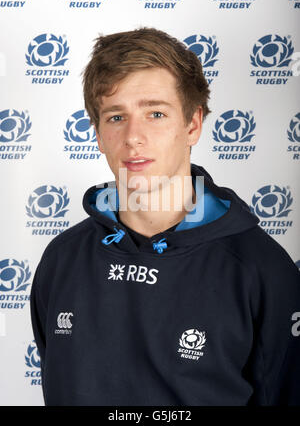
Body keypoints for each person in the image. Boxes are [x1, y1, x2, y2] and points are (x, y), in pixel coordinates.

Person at [30, 27, 300, 406]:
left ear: (192, 125)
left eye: (155, 113)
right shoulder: (62, 259)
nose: (134, 137)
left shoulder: (262, 269)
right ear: (97, 134)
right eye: (115, 117)